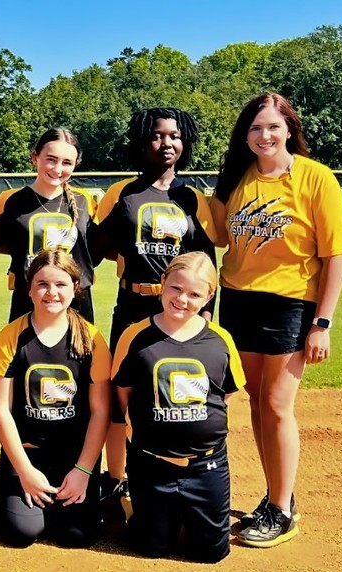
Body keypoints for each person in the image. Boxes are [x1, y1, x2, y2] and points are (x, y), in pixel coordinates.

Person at [210, 92, 342, 547]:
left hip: (290, 303)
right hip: (238, 300)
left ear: (289, 128)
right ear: (245, 135)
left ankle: (282, 510)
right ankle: (276, 496)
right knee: (254, 402)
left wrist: (322, 323)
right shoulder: (236, 178)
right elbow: (218, 235)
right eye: (255, 128)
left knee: (275, 405)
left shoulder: (314, 177)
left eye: (273, 126)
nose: (264, 135)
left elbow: (335, 255)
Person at [92, 107, 217, 501]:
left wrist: (206, 316)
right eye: (157, 135)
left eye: (175, 136)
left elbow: (207, 262)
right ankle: (116, 478)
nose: (167, 143)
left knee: (173, 393)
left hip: (180, 312)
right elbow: (95, 248)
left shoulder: (192, 198)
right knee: (120, 391)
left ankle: (174, 474)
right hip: (132, 304)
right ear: (142, 141)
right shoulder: (122, 193)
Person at [111, 252, 243, 563]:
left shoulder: (220, 340)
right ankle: (141, 505)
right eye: (176, 288)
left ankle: (183, 513)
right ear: (163, 282)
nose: (182, 299)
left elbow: (224, 395)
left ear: (209, 297)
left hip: (205, 465)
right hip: (150, 463)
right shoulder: (135, 335)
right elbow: (123, 392)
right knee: (151, 547)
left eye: (194, 294)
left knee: (211, 553)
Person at [0, 248, 111, 548]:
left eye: (60, 284)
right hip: (27, 454)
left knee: (75, 536)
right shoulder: (11, 337)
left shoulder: (92, 339)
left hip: (74, 458)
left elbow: (100, 411)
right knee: (22, 531)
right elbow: (0, 408)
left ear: (75, 288)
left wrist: (83, 471)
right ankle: (5, 483)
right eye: (42, 284)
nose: (51, 292)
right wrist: (24, 471)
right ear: (29, 289)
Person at [0, 128, 97, 322]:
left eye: (67, 162)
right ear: (35, 157)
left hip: (76, 300)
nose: (58, 169)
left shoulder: (83, 201)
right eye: (51, 159)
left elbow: (96, 248)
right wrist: (16, 248)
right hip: (28, 297)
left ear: (75, 164)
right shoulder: (12, 200)